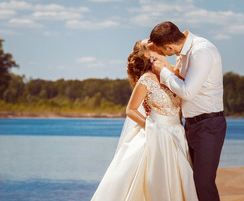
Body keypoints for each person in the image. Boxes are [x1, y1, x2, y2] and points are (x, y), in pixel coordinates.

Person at [91, 39, 198, 201]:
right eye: (149, 41)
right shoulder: (147, 79)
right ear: (147, 54)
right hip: (154, 135)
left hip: (177, 134)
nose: (154, 41)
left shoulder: (177, 74)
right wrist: (153, 128)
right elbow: (131, 110)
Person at [150, 21, 227, 201]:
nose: (163, 55)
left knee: (203, 182)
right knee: (190, 181)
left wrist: (162, 71)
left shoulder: (201, 51)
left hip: (209, 125)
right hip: (191, 125)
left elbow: (187, 91)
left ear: (169, 46)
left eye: (163, 51)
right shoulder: (183, 52)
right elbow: (181, 77)